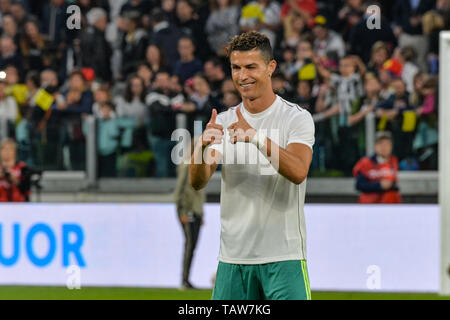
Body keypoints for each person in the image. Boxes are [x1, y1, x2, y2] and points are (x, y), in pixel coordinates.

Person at [189, 31, 315, 300]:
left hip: (284, 257)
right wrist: (199, 148)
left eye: (250, 67)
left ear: (271, 68)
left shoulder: (296, 118)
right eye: (236, 68)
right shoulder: (223, 120)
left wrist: (256, 137)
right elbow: (198, 181)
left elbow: (298, 171)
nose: (242, 76)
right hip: (233, 259)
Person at [174, 139, 205, 290]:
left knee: (192, 246)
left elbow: (198, 193)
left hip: (196, 211)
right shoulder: (187, 166)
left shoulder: (197, 165)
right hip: (189, 211)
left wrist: (201, 214)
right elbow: (179, 191)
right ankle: (184, 280)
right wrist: (182, 212)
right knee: (189, 245)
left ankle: (186, 279)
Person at [353, 131, 402, 203]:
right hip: (370, 206)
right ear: (375, 146)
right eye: (381, 144)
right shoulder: (365, 162)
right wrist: (379, 185)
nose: (384, 147)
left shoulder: (394, 161)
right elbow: (359, 185)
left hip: (390, 206)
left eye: (387, 144)